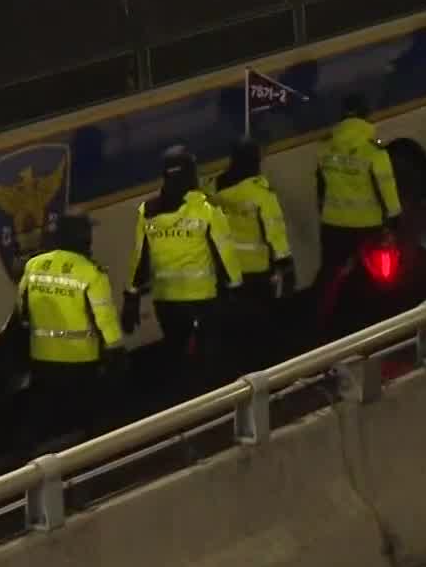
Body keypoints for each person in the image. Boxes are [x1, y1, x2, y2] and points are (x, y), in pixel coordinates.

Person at [125, 146, 242, 391]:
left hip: (166, 300)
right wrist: (235, 288)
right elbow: (225, 253)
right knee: (207, 359)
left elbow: (139, 257)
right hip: (203, 300)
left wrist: (132, 296)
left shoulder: (147, 212)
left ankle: (180, 402)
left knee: (175, 352)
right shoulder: (206, 210)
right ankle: (206, 408)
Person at [17, 213, 126, 447]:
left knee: (47, 423)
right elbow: (105, 319)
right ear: (83, 238)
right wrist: (117, 354)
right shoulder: (91, 273)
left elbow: (22, 310)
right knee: (85, 425)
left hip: (42, 358)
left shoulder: (33, 266)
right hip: (81, 361)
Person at [210, 138, 295, 370]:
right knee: (261, 327)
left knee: (234, 327)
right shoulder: (260, 194)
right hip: (256, 273)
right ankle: (264, 374)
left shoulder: (214, 190)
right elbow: (274, 231)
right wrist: (286, 264)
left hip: (226, 272)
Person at [316, 94, 401, 284]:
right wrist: (394, 223)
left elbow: (321, 189)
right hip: (367, 229)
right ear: (366, 115)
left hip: (332, 226)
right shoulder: (373, 152)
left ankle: (326, 310)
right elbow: (387, 189)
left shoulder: (326, 148)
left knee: (330, 279)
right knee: (375, 280)